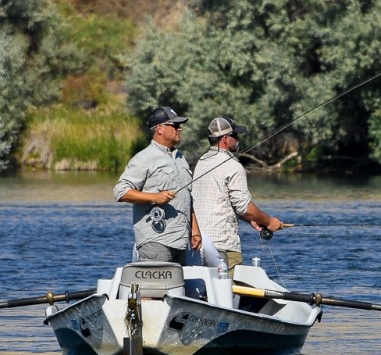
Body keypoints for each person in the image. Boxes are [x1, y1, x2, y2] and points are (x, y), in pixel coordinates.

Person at [191, 115, 285, 276]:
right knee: (230, 294)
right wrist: (269, 222)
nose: (238, 139)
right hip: (224, 248)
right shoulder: (233, 166)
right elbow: (244, 206)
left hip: (197, 244)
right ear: (226, 139)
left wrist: (251, 220)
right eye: (235, 136)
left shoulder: (202, 162)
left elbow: (221, 202)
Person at [114, 106, 201, 263]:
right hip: (156, 242)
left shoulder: (180, 158)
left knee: (177, 288)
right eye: (174, 125)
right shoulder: (144, 158)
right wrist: (155, 197)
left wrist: (195, 230)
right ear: (159, 129)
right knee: (157, 288)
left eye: (179, 125)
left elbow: (188, 199)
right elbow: (121, 191)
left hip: (181, 241)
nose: (179, 129)